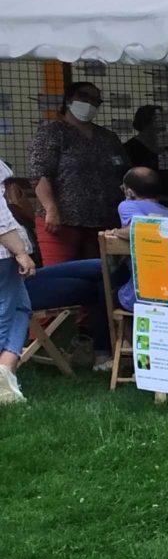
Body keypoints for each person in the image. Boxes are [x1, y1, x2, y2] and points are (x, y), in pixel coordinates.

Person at [2, 169, 112, 376]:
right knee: (98, 281)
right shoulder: (4, 219)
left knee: (101, 267)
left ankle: (103, 352)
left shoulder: (10, 211)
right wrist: (20, 253)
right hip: (18, 288)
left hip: (29, 278)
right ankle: (103, 353)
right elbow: (5, 231)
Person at [30, 80, 127, 270]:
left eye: (96, 100)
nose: (90, 103)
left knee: (100, 279)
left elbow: (123, 171)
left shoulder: (108, 137)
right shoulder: (52, 132)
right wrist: (51, 208)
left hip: (103, 221)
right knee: (60, 276)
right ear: (68, 99)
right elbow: (40, 173)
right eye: (84, 97)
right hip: (62, 221)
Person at [113, 167, 168, 311]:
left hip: (145, 297)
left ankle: (108, 334)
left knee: (101, 290)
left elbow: (138, 229)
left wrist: (116, 232)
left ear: (129, 192)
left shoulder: (128, 205)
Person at [0, 159, 38, 404]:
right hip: (3, 255)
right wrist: (21, 252)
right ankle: (3, 375)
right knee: (7, 311)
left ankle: (6, 370)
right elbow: (1, 219)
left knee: (21, 307)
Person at [123, 104, 168, 197]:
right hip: (145, 201)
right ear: (147, 121)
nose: (164, 123)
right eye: (158, 119)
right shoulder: (130, 148)